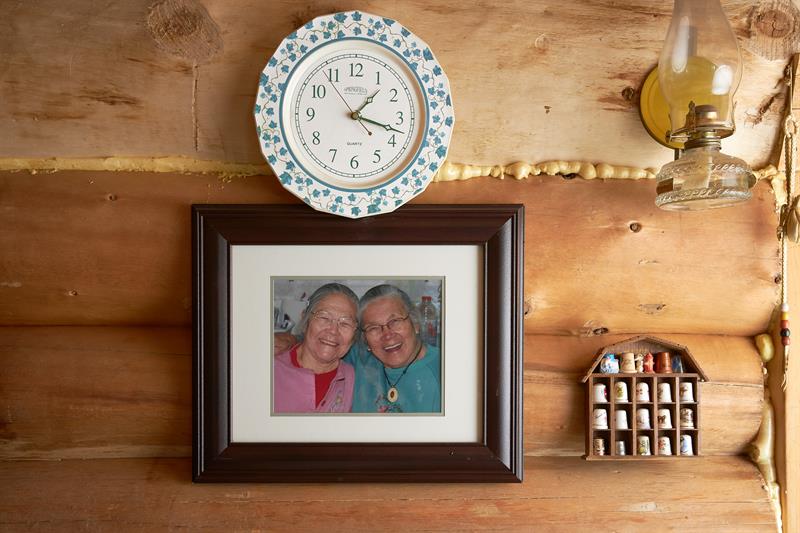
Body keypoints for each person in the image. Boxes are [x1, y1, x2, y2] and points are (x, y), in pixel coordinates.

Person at [350, 284, 441, 413]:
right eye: (373, 328)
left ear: (415, 323)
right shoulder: (357, 360)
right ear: (365, 339)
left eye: (395, 321)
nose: (387, 335)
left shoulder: (445, 372)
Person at [273, 283, 359, 413]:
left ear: (355, 334)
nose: (333, 331)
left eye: (345, 323)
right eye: (324, 317)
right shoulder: (271, 369)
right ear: (305, 320)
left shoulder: (355, 379)